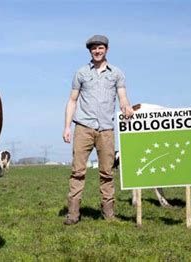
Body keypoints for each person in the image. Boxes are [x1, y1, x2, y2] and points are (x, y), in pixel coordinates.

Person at [62, 35, 134, 225]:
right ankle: (73, 214)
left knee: (107, 173)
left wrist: (127, 106)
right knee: (77, 171)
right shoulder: (81, 73)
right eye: (94, 48)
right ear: (90, 51)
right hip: (83, 128)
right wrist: (67, 127)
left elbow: (123, 97)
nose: (97, 51)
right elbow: (72, 100)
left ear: (107, 50)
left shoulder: (117, 73)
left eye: (100, 47)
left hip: (106, 130)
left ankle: (108, 213)